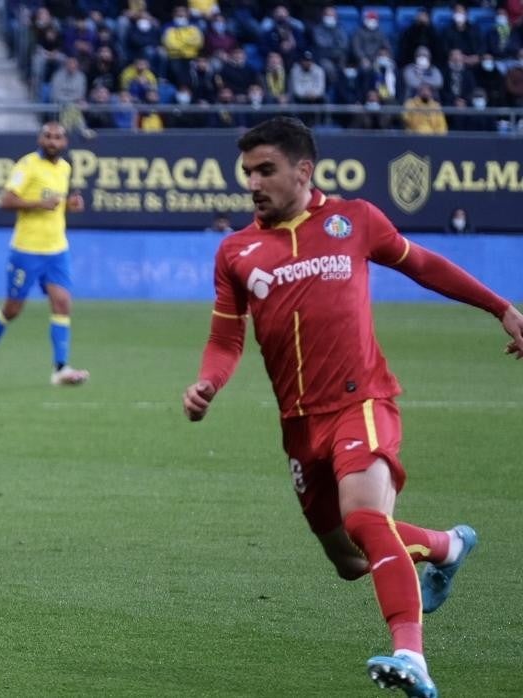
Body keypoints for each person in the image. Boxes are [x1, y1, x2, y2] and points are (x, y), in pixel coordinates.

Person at [182, 117, 523, 698]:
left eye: (266, 170)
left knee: (366, 520)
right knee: (348, 558)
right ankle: (446, 545)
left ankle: (411, 657)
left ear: (303, 170)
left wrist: (501, 307)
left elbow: (422, 264)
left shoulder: (354, 220)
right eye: (247, 172)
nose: (253, 183)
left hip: (360, 400)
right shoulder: (236, 250)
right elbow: (225, 339)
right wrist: (209, 383)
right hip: (298, 424)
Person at [0, 122, 89, 388]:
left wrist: (69, 205)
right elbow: (5, 200)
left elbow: (56, 205)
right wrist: (38, 203)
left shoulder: (65, 168)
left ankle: (60, 368)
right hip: (26, 251)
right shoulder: (27, 166)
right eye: (47, 136)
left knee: (62, 303)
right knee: (13, 308)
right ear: (40, 139)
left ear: (65, 143)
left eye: (57, 138)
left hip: (57, 249)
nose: (52, 141)